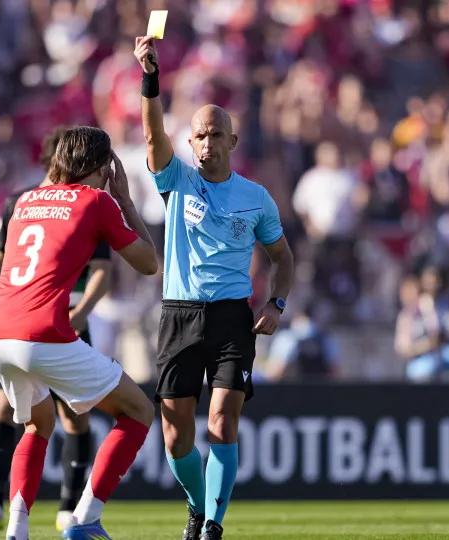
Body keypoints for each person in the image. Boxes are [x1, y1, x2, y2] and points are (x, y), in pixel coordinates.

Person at [134, 36, 295, 540]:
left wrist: (277, 301)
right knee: (176, 436)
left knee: (222, 423)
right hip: (179, 315)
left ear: (232, 141)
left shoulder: (256, 197)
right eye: (199, 136)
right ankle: (199, 505)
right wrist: (150, 79)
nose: (206, 144)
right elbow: (151, 135)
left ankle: (213, 525)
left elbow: (282, 258)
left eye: (214, 135)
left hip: (231, 317)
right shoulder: (176, 180)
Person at [0, 126, 158, 540]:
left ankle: (16, 530)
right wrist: (125, 199)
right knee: (137, 411)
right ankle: (85, 519)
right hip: (42, 333)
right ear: (102, 167)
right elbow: (149, 263)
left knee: (36, 425)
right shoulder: (97, 201)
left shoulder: (24, 200)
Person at [0, 127, 111, 532]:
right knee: (9, 409)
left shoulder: (80, 204)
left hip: (56, 317)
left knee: (72, 417)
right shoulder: (23, 202)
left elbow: (103, 271)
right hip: (21, 318)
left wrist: (80, 314)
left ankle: (64, 507)